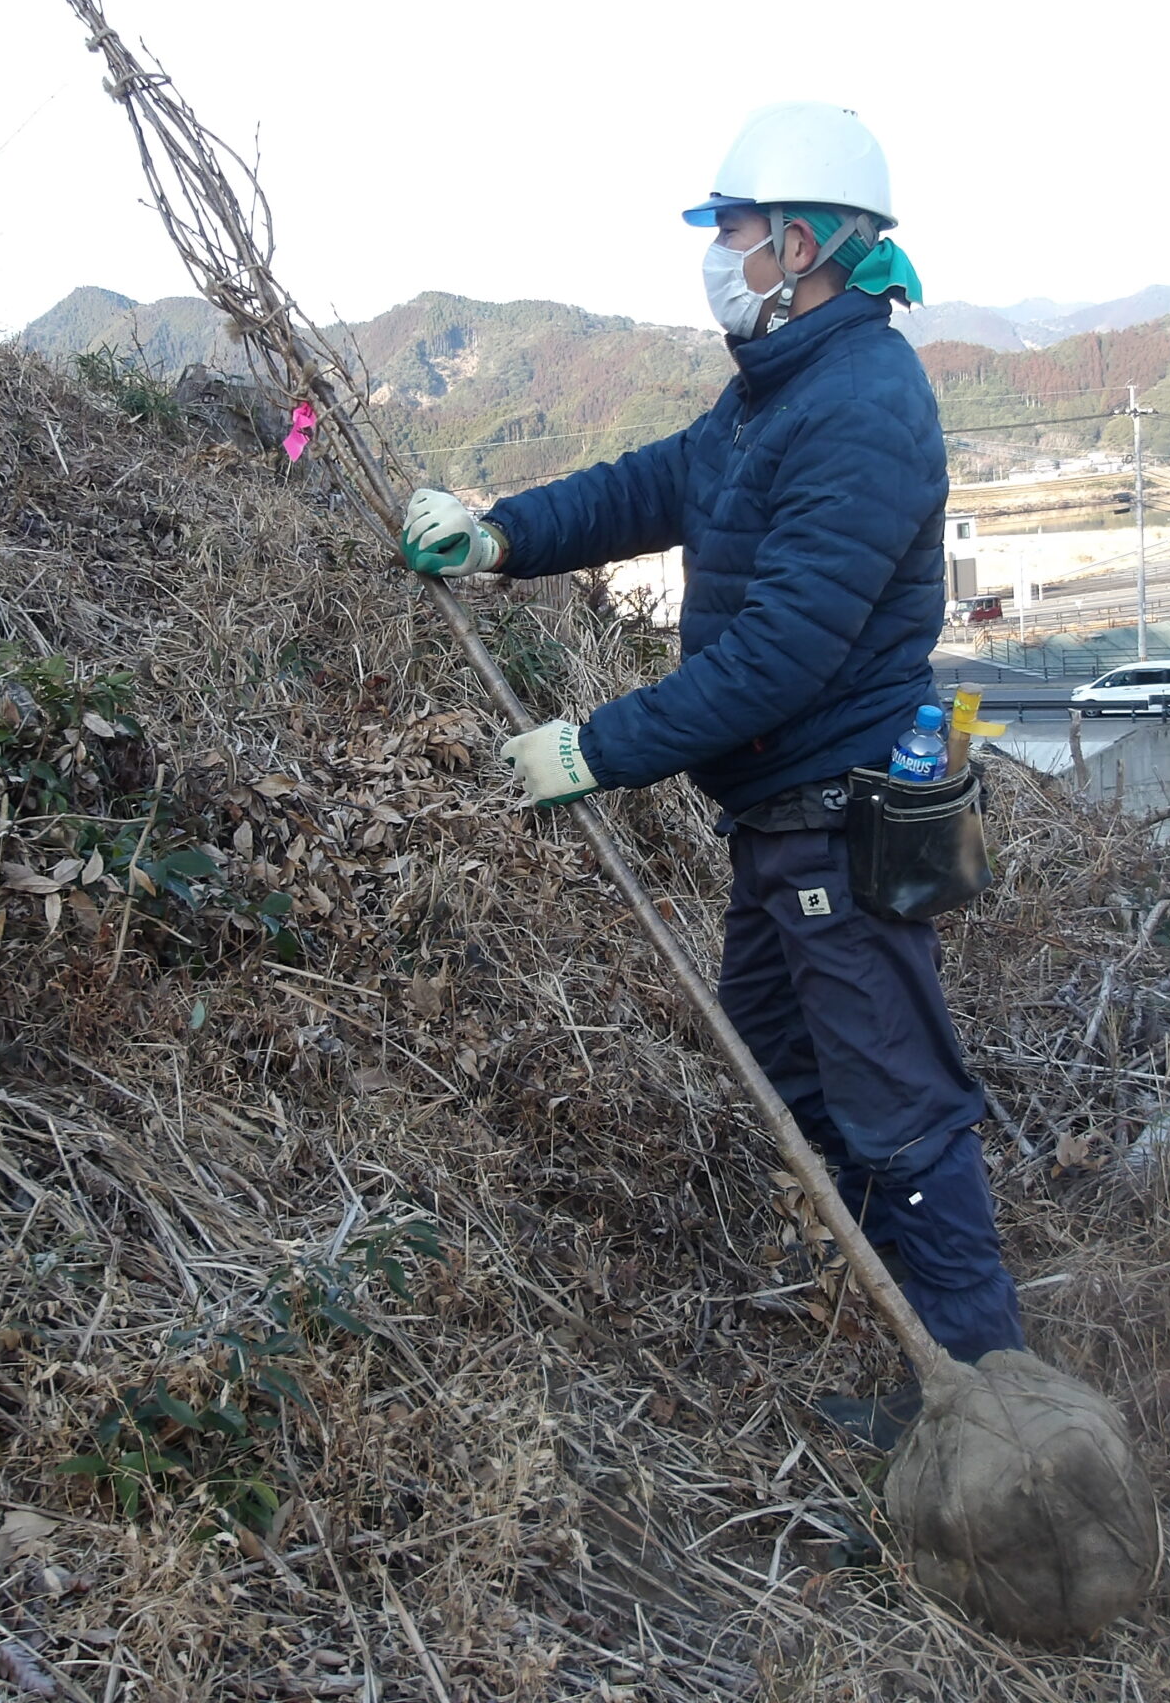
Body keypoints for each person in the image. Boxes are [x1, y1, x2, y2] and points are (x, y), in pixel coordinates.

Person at [400, 102, 1024, 1388]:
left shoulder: (860, 405)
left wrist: (598, 746)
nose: (716, 253)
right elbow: (650, 486)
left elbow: (782, 655)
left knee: (898, 1112)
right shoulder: (775, 391)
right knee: (784, 1073)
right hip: (781, 820)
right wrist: (501, 535)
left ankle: (985, 1401)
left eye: (731, 230)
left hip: (838, 823)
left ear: (796, 247)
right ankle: (885, 1350)